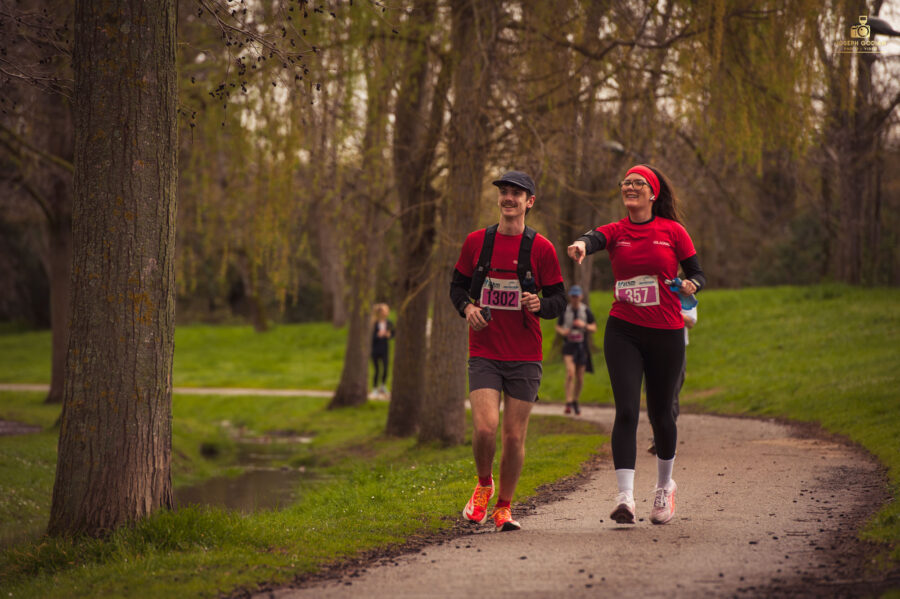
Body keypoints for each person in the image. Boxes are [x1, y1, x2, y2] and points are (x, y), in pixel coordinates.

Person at [567, 164, 706, 526]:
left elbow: (697, 273)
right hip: (624, 330)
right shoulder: (617, 230)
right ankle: (625, 497)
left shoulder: (673, 231)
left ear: (653, 193)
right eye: (626, 182)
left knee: (661, 414)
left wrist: (692, 285)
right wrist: (581, 243)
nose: (630, 187)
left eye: (638, 183)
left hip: (667, 331)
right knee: (627, 411)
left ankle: (664, 487)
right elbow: (595, 236)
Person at [450, 170, 567, 532]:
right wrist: (468, 309)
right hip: (484, 350)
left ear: (529, 202)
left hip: (525, 355)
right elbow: (456, 287)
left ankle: (504, 508)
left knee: (514, 437)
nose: (509, 198)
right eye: (504, 192)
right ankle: (484, 485)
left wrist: (539, 304)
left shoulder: (541, 248)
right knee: (486, 428)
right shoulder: (476, 243)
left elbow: (558, 300)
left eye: (517, 193)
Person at [648, 301, 697, 455]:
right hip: (652, 347)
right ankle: (658, 438)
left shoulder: (684, 291)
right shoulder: (653, 286)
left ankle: (666, 440)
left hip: (676, 348)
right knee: (653, 394)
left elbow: (690, 322)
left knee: (671, 395)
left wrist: (670, 313)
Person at [555, 285, 597, 416]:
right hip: (569, 346)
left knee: (580, 377)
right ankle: (568, 401)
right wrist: (564, 332)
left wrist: (583, 325)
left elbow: (594, 327)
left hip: (582, 346)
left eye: (577, 296)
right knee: (570, 373)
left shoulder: (586, 311)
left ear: (581, 297)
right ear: (570, 297)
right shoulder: (565, 311)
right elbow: (558, 326)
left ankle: (575, 400)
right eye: (573, 296)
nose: (575, 298)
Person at [370, 303, 394, 398]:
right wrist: (377, 335)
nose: (386, 313)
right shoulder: (374, 324)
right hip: (375, 349)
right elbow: (370, 337)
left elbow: (393, 333)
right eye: (384, 311)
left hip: (385, 349)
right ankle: (375, 388)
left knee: (385, 368)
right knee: (376, 370)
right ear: (379, 312)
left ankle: (383, 386)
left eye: (387, 311)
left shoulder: (389, 323)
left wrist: (389, 335)